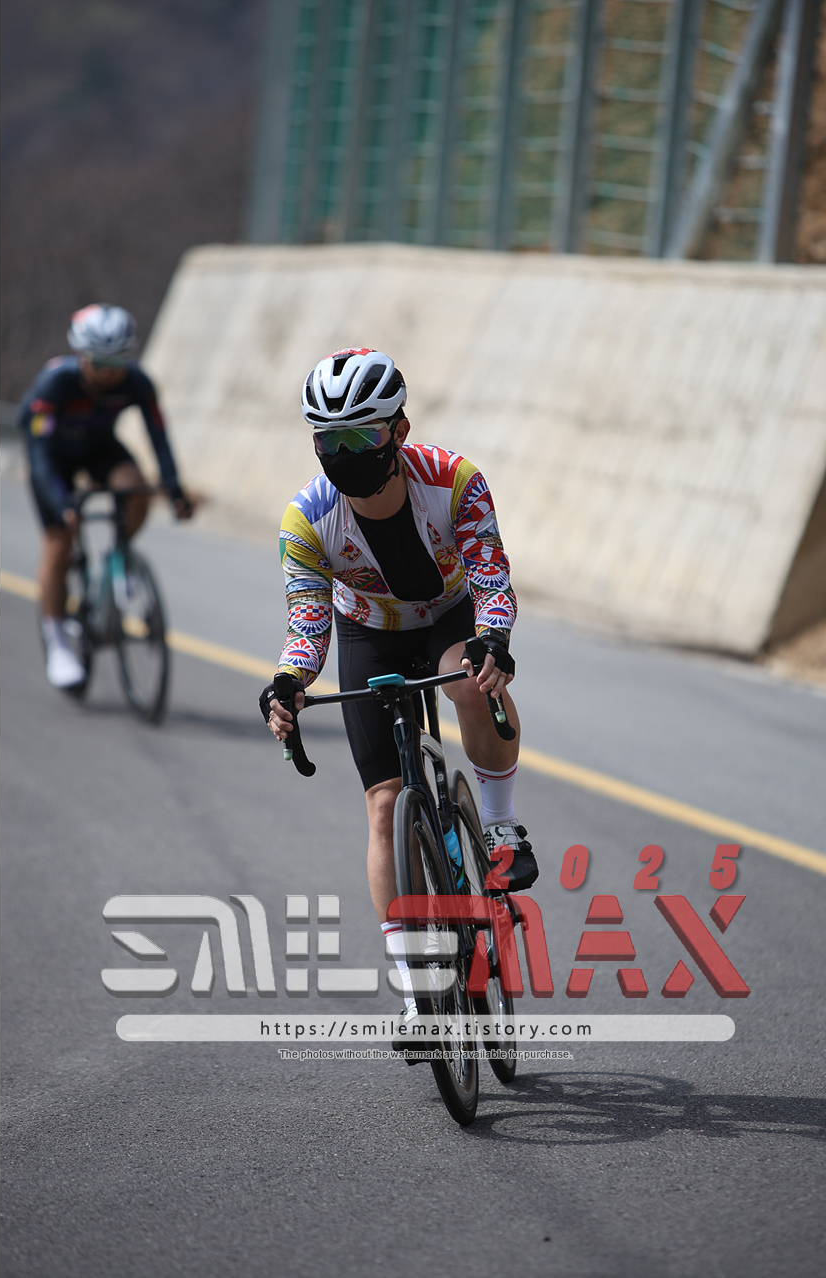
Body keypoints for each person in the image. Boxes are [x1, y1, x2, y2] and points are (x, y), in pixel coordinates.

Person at [260, 348, 538, 1038]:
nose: (345, 454)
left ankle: (500, 825)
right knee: (384, 806)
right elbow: (307, 623)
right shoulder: (306, 520)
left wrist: (494, 638)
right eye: (330, 441)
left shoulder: (455, 481)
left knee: (469, 682)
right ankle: (416, 990)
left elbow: (490, 575)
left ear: (400, 431)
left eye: (362, 437)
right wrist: (290, 682)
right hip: (369, 633)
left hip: (449, 617)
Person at [17, 304, 193, 688]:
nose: (109, 372)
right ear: (81, 356)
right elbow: (39, 453)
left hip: (99, 449)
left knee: (137, 489)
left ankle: (120, 559)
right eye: (99, 362)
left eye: (118, 361)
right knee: (59, 544)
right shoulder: (55, 383)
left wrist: (174, 487)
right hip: (53, 458)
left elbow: (158, 435)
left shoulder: (137, 382)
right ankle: (57, 640)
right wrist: (62, 504)